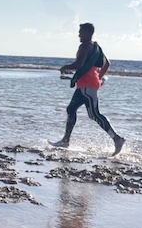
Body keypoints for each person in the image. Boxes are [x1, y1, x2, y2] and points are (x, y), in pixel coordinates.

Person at [52, 22, 125, 156]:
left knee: (94, 114)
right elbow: (107, 64)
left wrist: (65, 67)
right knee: (71, 109)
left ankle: (117, 139)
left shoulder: (85, 46)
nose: (78, 34)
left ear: (87, 33)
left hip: (87, 85)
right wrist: (98, 78)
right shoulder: (96, 46)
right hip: (84, 85)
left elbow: (79, 64)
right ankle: (65, 140)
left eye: (80, 32)